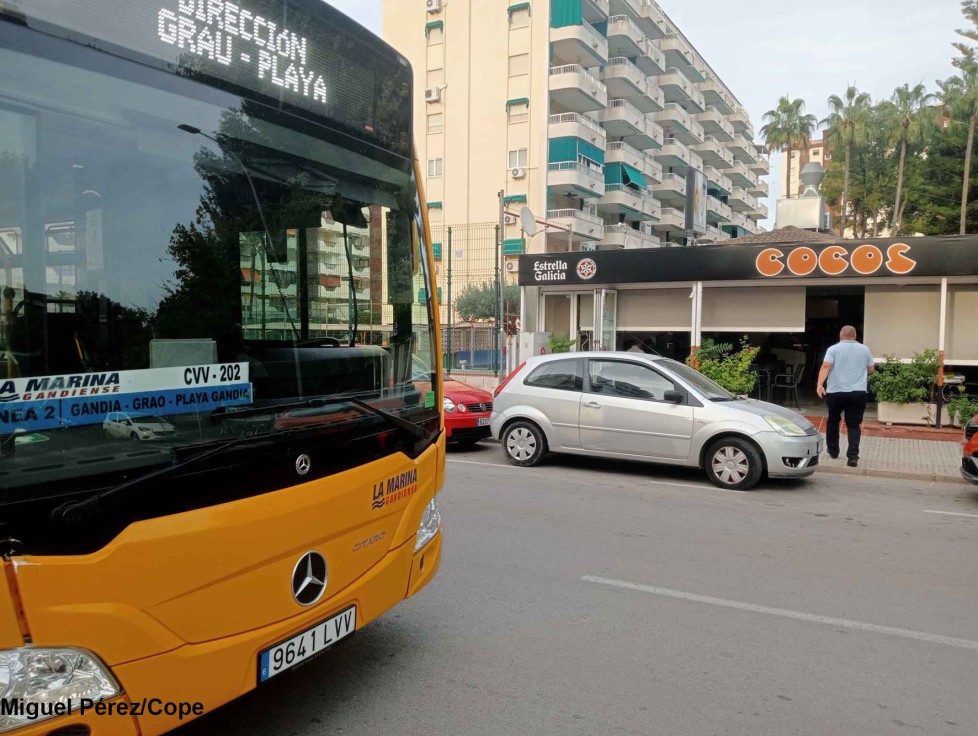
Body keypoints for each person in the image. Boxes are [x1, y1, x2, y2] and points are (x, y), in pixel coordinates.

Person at [816, 326, 875, 467]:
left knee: (833, 420)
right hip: (858, 393)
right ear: (855, 336)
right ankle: (853, 457)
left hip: (836, 391)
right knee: (854, 425)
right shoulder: (865, 349)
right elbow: (871, 369)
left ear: (841, 336)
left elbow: (826, 366)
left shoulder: (833, 349)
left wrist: (820, 384)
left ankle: (833, 451)